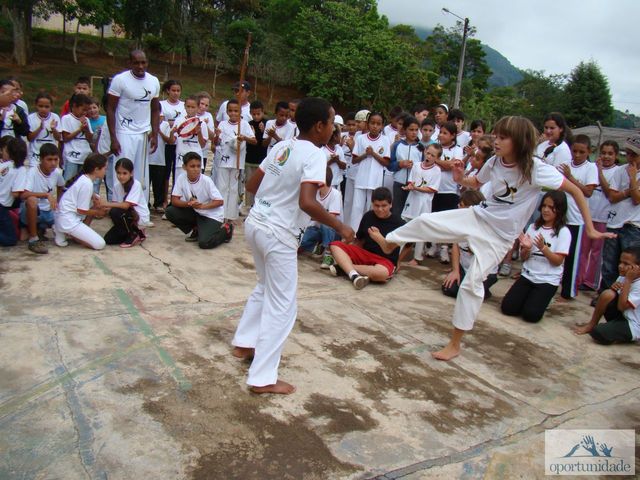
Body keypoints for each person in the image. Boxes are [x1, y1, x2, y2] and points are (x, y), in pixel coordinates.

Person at [369, 116, 613, 361]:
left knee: (471, 284)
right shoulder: (495, 161)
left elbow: (575, 191)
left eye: (503, 137)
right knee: (425, 221)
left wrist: (590, 229)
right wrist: (459, 178)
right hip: (478, 216)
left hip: (499, 237)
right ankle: (391, 242)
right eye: (496, 135)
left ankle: (455, 344)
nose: (496, 141)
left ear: (519, 141)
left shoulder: (536, 169)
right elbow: (475, 182)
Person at [231, 97, 355, 395]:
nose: (334, 129)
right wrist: (340, 226)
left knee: (265, 287)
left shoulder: (283, 146)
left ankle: (244, 343)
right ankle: (262, 378)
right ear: (319, 126)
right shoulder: (315, 155)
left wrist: (277, 195)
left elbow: (252, 185)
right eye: (332, 122)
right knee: (283, 305)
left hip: (256, 223)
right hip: (278, 234)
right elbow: (307, 202)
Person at [501, 191, 571, 322]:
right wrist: (527, 249)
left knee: (531, 316)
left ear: (560, 209)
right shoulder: (533, 227)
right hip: (528, 275)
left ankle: (541, 300)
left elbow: (558, 261)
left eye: (551, 207)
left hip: (547, 280)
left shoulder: (563, 232)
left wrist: (543, 248)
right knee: (508, 308)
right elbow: (523, 258)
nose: (546, 210)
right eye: (544, 206)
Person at [107, 49, 161, 204]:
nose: (140, 66)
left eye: (143, 62)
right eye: (136, 63)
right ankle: (119, 206)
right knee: (122, 171)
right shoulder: (120, 80)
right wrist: (113, 138)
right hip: (124, 132)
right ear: (129, 63)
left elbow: (155, 109)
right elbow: (110, 109)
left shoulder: (153, 81)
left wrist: (155, 134)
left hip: (143, 133)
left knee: (140, 174)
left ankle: (139, 208)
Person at [330, 186, 404, 289]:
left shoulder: (399, 222)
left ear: (390, 204)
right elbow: (360, 239)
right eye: (376, 205)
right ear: (372, 204)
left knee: (382, 273)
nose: (380, 209)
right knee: (335, 245)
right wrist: (347, 247)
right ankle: (355, 273)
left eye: (384, 206)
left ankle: (346, 268)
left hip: (385, 261)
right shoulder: (368, 216)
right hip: (365, 254)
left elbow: (409, 244)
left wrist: (399, 261)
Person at [557, 134, 598, 299]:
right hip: (561, 217)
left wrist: (571, 178)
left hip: (577, 220)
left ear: (589, 152)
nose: (577, 155)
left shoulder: (590, 168)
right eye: (575, 151)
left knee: (572, 257)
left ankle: (569, 291)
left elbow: (588, 192)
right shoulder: (566, 164)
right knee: (557, 251)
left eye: (582, 152)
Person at [574, 245, 640, 345]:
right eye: (620, 262)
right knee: (607, 294)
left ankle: (625, 336)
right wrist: (614, 289)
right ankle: (592, 324)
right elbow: (612, 298)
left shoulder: (632, 280)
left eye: (626, 264)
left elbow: (622, 307)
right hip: (622, 316)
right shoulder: (624, 276)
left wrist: (628, 281)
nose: (620, 266)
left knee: (598, 333)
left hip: (633, 325)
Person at [600, 135, 640, 293]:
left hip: (633, 225)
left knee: (630, 264)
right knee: (609, 263)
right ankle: (606, 294)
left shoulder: (630, 173)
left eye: (634, 155)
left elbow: (637, 200)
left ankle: (625, 295)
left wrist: (633, 178)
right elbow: (612, 196)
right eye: (628, 153)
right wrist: (629, 191)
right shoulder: (620, 170)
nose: (630, 158)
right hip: (615, 222)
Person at [164, 152, 231, 248]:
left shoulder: (206, 181)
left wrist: (202, 206)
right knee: (170, 211)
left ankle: (226, 230)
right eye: (192, 166)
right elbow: (174, 200)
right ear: (184, 167)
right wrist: (189, 203)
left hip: (211, 215)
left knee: (204, 243)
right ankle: (196, 229)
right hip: (196, 211)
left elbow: (220, 201)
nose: (196, 169)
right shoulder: (181, 178)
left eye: (198, 166)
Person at [577, 140, 620, 291]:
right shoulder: (591, 168)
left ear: (616, 155)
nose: (606, 156)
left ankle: (591, 282)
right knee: (583, 250)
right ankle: (578, 277)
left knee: (597, 252)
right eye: (603, 153)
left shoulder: (617, 171)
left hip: (604, 217)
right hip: (588, 215)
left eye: (610, 153)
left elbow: (609, 193)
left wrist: (600, 172)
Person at [442, 190, 498, 299]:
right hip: (465, 266)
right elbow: (455, 246)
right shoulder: (460, 221)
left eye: (461, 205)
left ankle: (484, 289)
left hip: (483, 271)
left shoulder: (486, 226)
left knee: (468, 294)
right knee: (449, 289)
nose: (458, 207)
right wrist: (455, 270)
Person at [54, 153, 108, 250]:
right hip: (69, 219)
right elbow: (81, 210)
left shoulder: (84, 179)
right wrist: (98, 212)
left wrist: (94, 197)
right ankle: (64, 230)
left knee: (96, 204)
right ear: (96, 169)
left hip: (66, 216)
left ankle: (63, 230)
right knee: (100, 244)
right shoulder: (87, 184)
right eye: (105, 168)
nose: (105, 171)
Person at [214, 99, 256, 222]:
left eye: (236, 111)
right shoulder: (222, 124)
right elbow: (216, 142)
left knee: (233, 189)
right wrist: (217, 135)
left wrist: (243, 138)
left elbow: (254, 140)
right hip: (223, 160)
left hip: (237, 162)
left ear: (240, 112)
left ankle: (231, 215)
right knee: (222, 187)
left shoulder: (244, 124)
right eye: (230, 111)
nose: (233, 113)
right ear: (227, 111)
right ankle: (221, 214)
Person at [19, 143, 65, 254]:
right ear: (41, 159)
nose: (53, 163)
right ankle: (33, 239)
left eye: (55, 159)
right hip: (35, 211)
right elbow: (23, 195)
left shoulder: (57, 172)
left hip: (49, 212)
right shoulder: (32, 172)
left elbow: (61, 186)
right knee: (32, 200)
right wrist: (46, 195)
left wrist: (58, 202)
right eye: (49, 159)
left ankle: (40, 229)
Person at [402, 143, 442, 265]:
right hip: (412, 200)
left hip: (424, 203)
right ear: (424, 151)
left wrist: (416, 188)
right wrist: (409, 187)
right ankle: (399, 252)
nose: (429, 156)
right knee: (404, 225)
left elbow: (432, 189)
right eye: (428, 153)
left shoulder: (437, 170)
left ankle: (417, 257)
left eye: (433, 155)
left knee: (421, 228)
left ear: (437, 158)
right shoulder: (416, 166)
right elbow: (411, 182)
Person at [350, 112, 390, 230]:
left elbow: (386, 162)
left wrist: (373, 154)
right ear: (368, 124)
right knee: (357, 208)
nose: (375, 126)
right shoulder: (361, 138)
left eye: (378, 124)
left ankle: (370, 233)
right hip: (361, 179)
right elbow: (354, 160)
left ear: (382, 126)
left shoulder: (385, 140)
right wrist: (365, 154)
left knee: (372, 208)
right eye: (372, 123)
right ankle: (354, 233)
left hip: (375, 180)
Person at [431, 121, 464, 263]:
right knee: (434, 218)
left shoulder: (457, 150)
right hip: (434, 188)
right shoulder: (435, 147)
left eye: (445, 133)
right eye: (441, 132)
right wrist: (443, 163)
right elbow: (430, 162)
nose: (441, 135)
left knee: (446, 221)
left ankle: (444, 247)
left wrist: (436, 160)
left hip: (450, 190)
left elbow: (452, 166)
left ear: (453, 135)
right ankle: (434, 245)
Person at [101, 158, 149, 247]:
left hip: (138, 216)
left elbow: (126, 206)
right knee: (108, 240)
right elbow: (115, 204)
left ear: (131, 173)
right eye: (118, 173)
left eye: (124, 173)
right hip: (126, 216)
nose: (121, 176)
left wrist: (105, 203)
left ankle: (134, 233)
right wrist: (102, 208)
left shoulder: (136, 184)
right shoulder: (117, 186)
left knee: (115, 211)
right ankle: (137, 233)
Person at [299, 167, 342, 267]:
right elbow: (307, 214)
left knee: (327, 223)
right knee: (301, 242)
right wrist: (316, 215)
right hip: (316, 227)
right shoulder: (315, 193)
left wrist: (315, 215)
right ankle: (320, 245)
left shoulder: (335, 194)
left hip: (334, 231)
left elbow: (331, 218)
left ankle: (328, 253)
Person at [389, 116, 423, 216]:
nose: (414, 132)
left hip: (415, 185)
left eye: (416, 130)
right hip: (399, 183)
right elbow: (389, 165)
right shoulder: (397, 145)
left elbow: (424, 166)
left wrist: (415, 167)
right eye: (411, 130)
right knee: (397, 211)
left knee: (411, 212)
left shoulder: (421, 148)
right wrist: (400, 164)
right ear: (404, 130)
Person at [171, 96, 208, 181]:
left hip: (196, 158)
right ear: (184, 106)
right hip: (181, 158)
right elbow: (172, 141)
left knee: (196, 183)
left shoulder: (202, 123)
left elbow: (203, 145)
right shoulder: (179, 121)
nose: (190, 109)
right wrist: (172, 132)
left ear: (198, 107)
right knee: (180, 183)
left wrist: (199, 132)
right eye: (188, 106)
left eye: (193, 107)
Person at [0, 137, 28, 246]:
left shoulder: (3, 165)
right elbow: (15, 194)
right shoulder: (21, 170)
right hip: (2, 206)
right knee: (10, 239)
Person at [61, 94, 94, 181]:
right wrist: (80, 130)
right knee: (69, 182)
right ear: (74, 106)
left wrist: (86, 129)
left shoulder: (86, 120)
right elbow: (65, 138)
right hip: (72, 157)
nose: (85, 113)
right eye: (83, 109)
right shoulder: (66, 119)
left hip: (85, 157)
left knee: (82, 182)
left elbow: (90, 139)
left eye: (86, 110)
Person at [27, 92, 62, 166]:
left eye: (46, 107)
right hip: (35, 156)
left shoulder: (55, 117)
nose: (43, 109)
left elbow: (59, 138)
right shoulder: (31, 118)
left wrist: (53, 129)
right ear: (36, 105)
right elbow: (30, 138)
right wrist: (40, 128)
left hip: (50, 155)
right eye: (40, 106)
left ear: (51, 106)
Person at [148, 114, 172, 213]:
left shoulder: (165, 125)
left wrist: (159, 131)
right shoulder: (146, 123)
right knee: (146, 182)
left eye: (160, 116)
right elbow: (146, 138)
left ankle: (158, 203)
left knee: (158, 183)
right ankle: (146, 202)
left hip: (160, 159)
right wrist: (153, 129)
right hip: (147, 158)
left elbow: (169, 141)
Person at [341, 111, 358, 226]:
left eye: (354, 125)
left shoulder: (359, 137)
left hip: (352, 171)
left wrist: (352, 147)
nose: (351, 127)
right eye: (349, 125)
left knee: (352, 200)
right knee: (343, 198)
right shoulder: (342, 136)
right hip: (342, 171)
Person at [323, 125, 346, 190]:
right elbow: (320, 168)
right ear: (335, 137)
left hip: (338, 183)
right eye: (339, 134)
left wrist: (337, 161)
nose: (340, 137)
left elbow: (344, 166)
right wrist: (331, 161)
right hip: (326, 185)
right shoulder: (322, 150)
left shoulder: (339, 149)